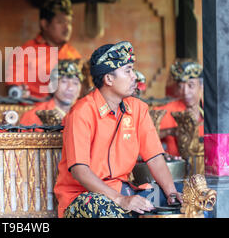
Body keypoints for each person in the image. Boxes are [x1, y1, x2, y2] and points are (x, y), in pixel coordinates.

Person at [53, 41, 182, 218]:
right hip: (82, 198)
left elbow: (155, 158)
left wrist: (172, 195)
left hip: (123, 190)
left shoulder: (138, 109)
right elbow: (80, 171)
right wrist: (120, 200)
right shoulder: (81, 112)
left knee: (187, 200)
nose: (134, 76)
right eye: (128, 71)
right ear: (109, 79)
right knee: (105, 208)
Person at [5, 0, 82, 99]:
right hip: (32, 110)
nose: (67, 28)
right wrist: (19, 92)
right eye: (60, 22)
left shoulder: (73, 54)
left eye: (69, 22)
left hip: (64, 111)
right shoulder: (26, 51)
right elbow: (12, 87)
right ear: (44, 24)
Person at [154, 60, 204, 157]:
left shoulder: (211, 113)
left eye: (191, 85)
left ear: (201, 86)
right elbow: (142, 138)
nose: (185, 92)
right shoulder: (164, 112)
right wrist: (169, 131)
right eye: (181, 86)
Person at [19, 59, 83, 128]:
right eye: (64, 81)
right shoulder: (34, 116)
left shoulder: (86, 113)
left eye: (75, 83)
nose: (70, 88)